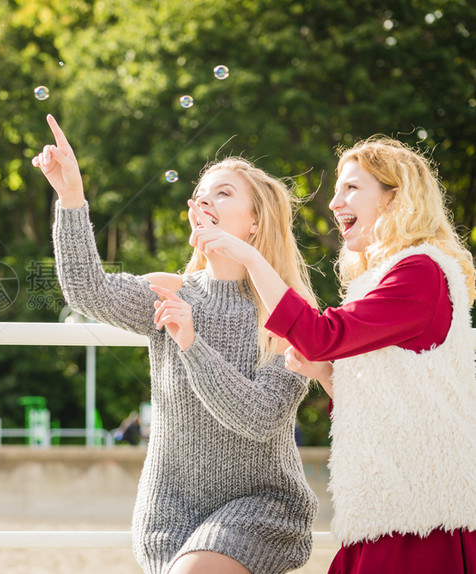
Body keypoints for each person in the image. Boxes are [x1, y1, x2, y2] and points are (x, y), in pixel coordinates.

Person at [32, 114, 318, 574]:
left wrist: (192, 344)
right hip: (171, 510)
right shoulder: (171, 291)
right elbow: (86, 289)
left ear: (254, 221)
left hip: (261, 506)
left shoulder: (287, 312)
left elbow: (260, 418)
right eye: (202, 194)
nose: (206, 200)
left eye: (224, 193)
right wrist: (71, 197)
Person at [192, 136, 476, 573]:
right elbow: (381, 400)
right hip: (387, 508)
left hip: (416, 518)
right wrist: (325, 374)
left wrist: (249, 256)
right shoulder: (390, 277)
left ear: (394, 198)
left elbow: (322, 334)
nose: (335, 202)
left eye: (351, 189)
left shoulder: (420, 272)